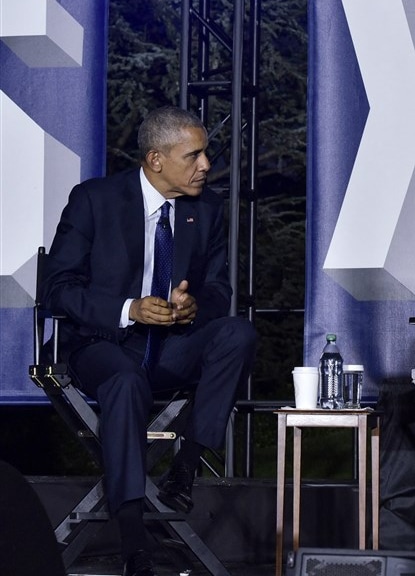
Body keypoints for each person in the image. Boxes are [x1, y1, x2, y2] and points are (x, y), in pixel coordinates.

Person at [43, 107, 257, 576]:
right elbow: (57, 289)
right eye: (194, 155)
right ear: (156, 159)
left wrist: (195, 306)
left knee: (238, 332)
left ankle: (188, 462)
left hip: (169, 347)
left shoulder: (208, 208)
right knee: (123, 382)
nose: (205, 165)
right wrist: (128, 309)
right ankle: (133, 540)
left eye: (205, 154)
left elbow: (221, 291)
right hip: (103, 345)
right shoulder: (94, 200)